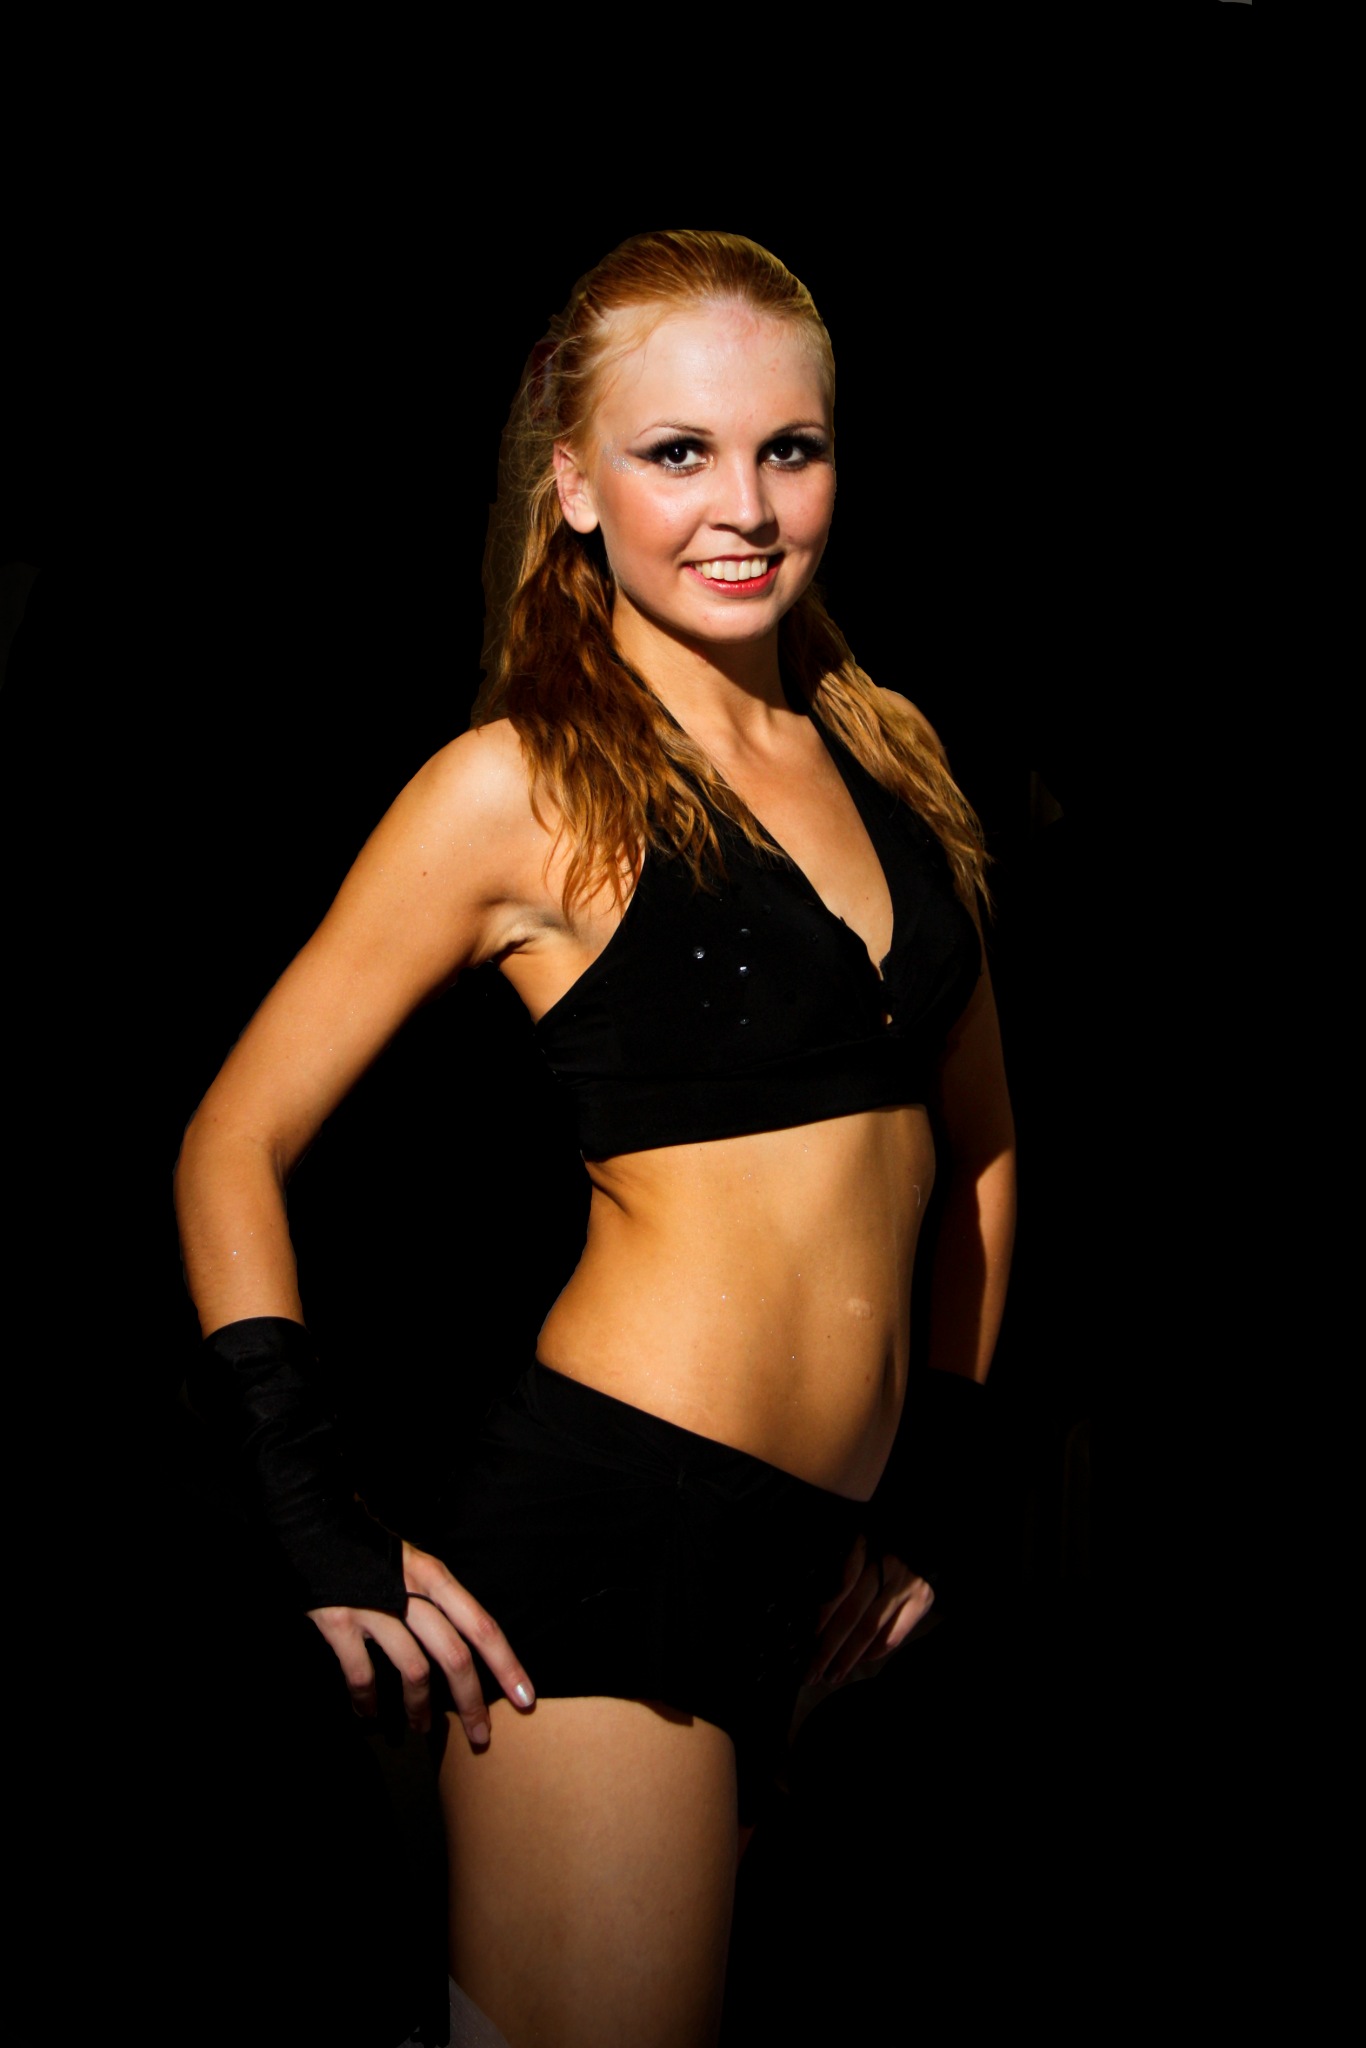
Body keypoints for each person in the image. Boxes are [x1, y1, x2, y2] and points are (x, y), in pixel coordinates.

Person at [174, 228, 1016, 2048]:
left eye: (789, 449)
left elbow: (980, 1156)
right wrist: (311, 1516)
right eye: (677, 452)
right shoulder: (519, 785)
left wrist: (932, 1497)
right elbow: (232, 1137)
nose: (743, 508)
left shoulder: (889, 758)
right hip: (613, 1543)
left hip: (835, 1576)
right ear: (572, 485)